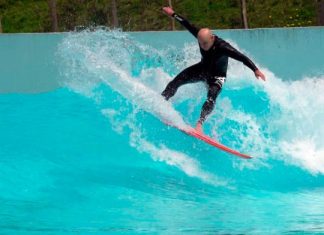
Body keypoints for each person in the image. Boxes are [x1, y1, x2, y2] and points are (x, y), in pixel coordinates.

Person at [161, 7, 266, 133]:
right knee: (175, 82)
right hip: (202, 69)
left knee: (211, 98)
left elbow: (241, 57)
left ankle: (199, 124)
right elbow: (186, 23)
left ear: (211, 39)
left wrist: (255, 70)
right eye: (200, 44)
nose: (203, 47)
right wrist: (173, 14)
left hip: (217, 76)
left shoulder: (223, 47)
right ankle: (161, 103)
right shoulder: (201, 36)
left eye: (205, 44)